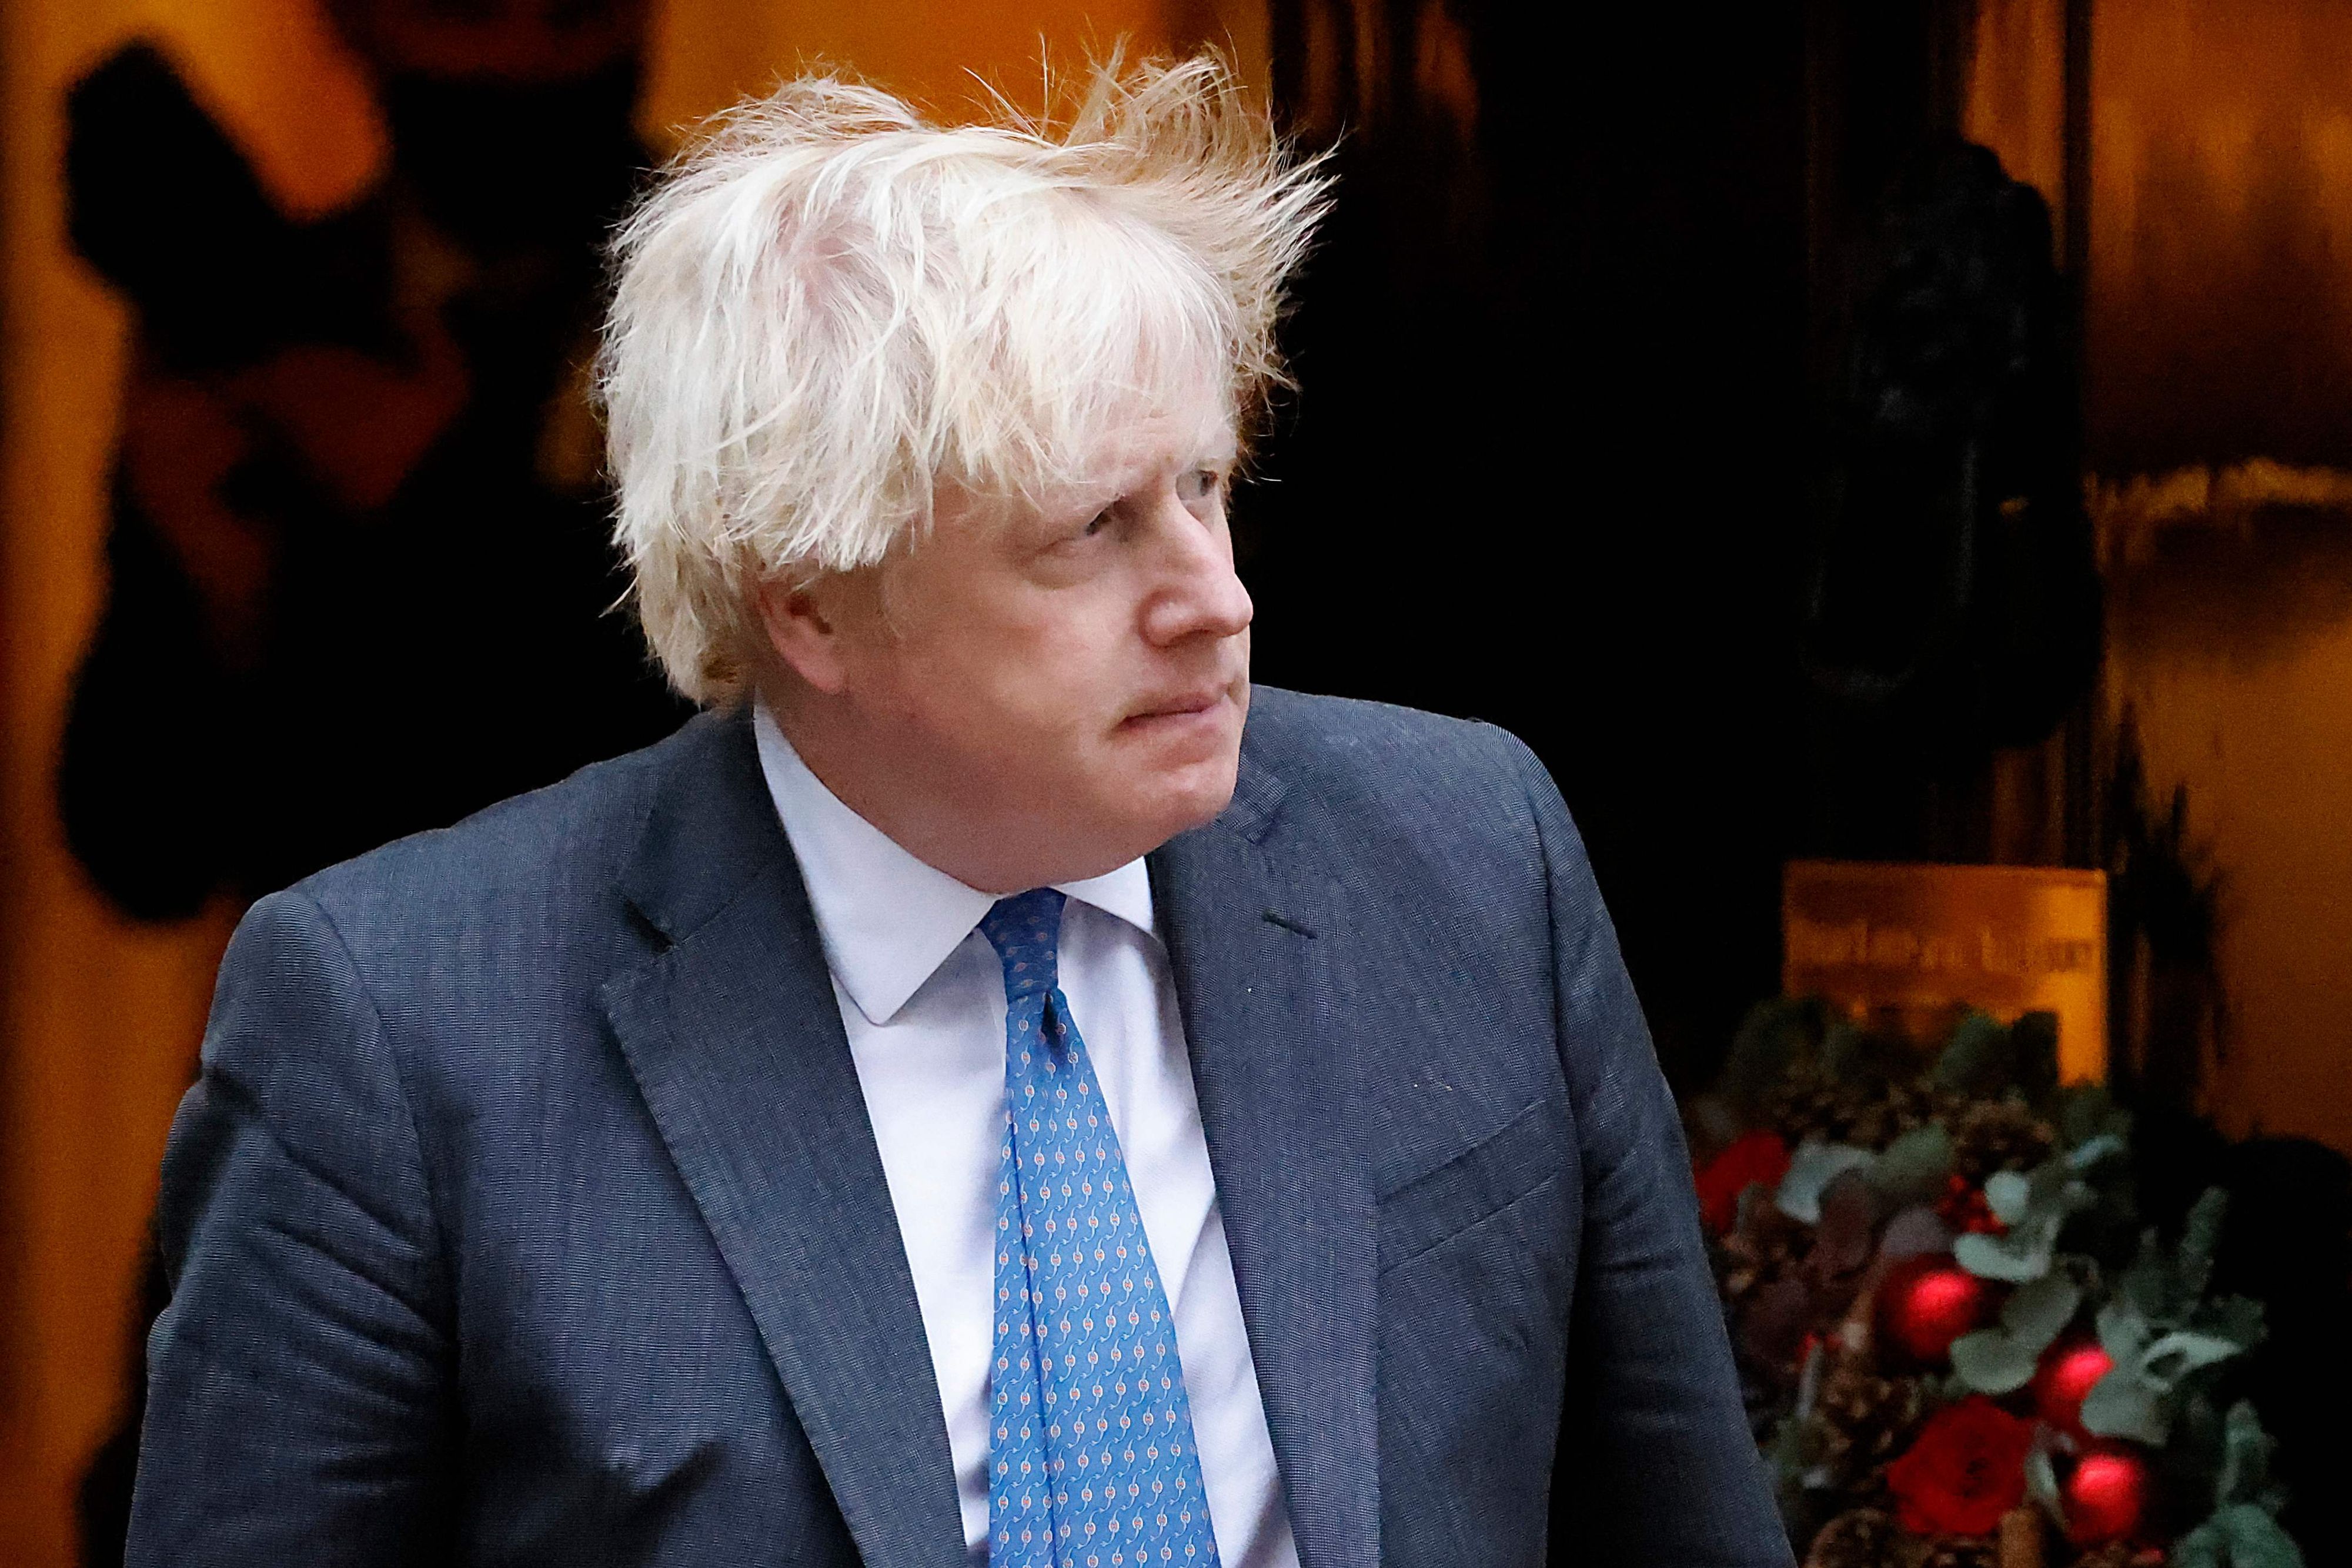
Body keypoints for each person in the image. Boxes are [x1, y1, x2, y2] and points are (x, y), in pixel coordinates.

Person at [127, 54, 1793, 1568]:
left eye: (1206, 487)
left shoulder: (1466, 857)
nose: (1216, 602)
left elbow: (1679, 1518)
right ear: (811, 601)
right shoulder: (402, 1028)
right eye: (1092, 530)